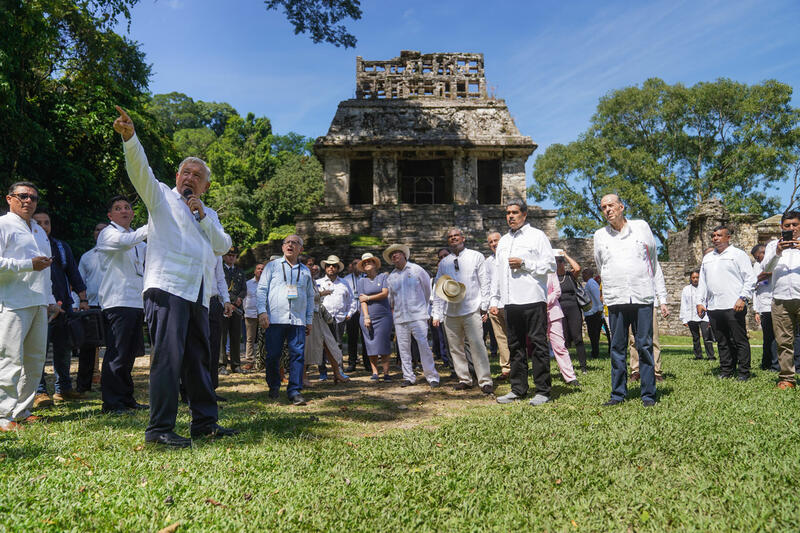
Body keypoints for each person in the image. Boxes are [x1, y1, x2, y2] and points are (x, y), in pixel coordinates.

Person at [114, 105, 236, 447]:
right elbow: (140, 171)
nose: (189, 178)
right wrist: (130, 139)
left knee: (199, 360)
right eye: (185, 172)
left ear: (206, 185)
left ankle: (205, 423)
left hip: (199, 294)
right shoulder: (162, 199)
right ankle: (159, 429)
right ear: (177, 175)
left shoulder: (207, 213)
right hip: (166, 289)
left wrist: (202, 217)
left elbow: (222, 246)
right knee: (168, 359)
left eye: (197, 175)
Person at [0, 182, 59, 431]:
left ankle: (22, 411)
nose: (29, 201)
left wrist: (50, 299)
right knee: (10, 359)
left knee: (35, 362)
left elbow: (46, 269)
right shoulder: (3, 224)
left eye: (33, 197)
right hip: (12, 301)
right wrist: (27, 265)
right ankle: (3, 416)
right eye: (23, 196)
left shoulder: (37, 229)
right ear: (9, 198)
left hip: (38, 302)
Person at [593, 194, 658, 407]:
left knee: (644, 345)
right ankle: (617, 394)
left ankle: (648, 394)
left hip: (641, 295)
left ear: (621, 206)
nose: (607, 210)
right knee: (617, 347)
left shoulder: (641, 227)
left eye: (611, 205)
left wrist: (651, 286)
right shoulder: (600, 235)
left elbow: (652, 259)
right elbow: (600, 264)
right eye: (603, 207)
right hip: (616, 297)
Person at [491, 199, 556, 406]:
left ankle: (543, 390)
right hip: (510, 301)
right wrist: (495, 298)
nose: (511, 216)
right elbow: (498, 272)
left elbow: (550, 264)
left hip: (532, 298)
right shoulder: (503, 241)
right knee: (514, 346)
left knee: (537, 344)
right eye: (508, 213)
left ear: (524, 214)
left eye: (515, 212)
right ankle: (518, 388)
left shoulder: (537, 236)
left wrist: (524, 263)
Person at [95, 195, 148, 414]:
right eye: (118, 208)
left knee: (128, 355)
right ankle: (112, 402)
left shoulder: (137, 240)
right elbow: (125, 242)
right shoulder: (109, 233)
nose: (124, 211)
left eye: (127, 207)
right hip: (118, 301)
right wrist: (154, 223)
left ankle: (126, 398)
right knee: (117, 354)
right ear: (110, 215)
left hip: (136, 302)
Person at [32, 209, 89, 405]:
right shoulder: (28, 247)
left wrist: (83, 299)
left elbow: (73, 273)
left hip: (64, 306)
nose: (42, 226)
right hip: (39, 305)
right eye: (37, 222)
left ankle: (63, 389)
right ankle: (39, 392)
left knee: (63, 350)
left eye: (46, 222)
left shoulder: (61, 247)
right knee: (38, 349)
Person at [432, 228, 492, 395]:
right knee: (455, 348)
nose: (453, 239)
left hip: (472, 307)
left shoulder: (476, 256)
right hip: (450, 312)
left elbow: (484, 282)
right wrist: (436, 313)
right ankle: (464, 379)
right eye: (450, 237)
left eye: (456, 236)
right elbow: (438, 288)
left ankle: (485, 380)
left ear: (463, 238)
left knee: (477, 345)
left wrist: (484, 305)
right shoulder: (444, 263)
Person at [256, 235, 315, 405]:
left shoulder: (304, 271)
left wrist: (309, 319)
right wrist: (262, 312)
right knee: (273, 355)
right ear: (282, 248)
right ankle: (274, 385)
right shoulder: (272, 267)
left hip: (297, 320)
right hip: (275, 317)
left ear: (300, 249)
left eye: (295, 243)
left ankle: (294, 390)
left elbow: (310, 296)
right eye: (287, 243)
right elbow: (261, 290)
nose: (290, 245)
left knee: (297, 355)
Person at [696, 225, 757, 381]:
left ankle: (743, 372)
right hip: (714, 306)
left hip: (734, 305)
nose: (715, 238)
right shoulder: (708, 258)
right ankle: (726, 370)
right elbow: (702, 282)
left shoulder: (738, 254)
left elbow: (750, 278)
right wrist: (700, 302)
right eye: (713, 235)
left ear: (728, 237)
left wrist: (743, 298)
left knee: (739, 340)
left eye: (719, 235)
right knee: (722, 341)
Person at [385, 244, 440, 388]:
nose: (394, 256)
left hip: (418, 315)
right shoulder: (391, 277)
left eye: (397, 253)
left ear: (404, 254)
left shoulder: (416, 270)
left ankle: (432, 376)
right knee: (403, 348)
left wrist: (423, 308)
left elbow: (427, 290)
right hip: (400, 317)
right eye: (392, 255)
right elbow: (391, 299)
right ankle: (408, 376)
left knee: (424, 346)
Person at [761, 210, 800, 389]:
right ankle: (787, 378)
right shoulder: (772, 246)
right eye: (787, 226)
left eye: (795, 225)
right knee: (784, 340)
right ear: (781, 227)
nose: (791, 229)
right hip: (780, 298)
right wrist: (777, 252)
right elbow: (765, 268)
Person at [77, 221, 108, 390]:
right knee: (88, 348)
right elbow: (78, 282)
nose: (100, 233)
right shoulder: (87, 257)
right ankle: (83, 385)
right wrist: (79, 303)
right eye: (97, 230)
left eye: (104, 230)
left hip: (112, 304)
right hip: (91, 306)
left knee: (114, 347)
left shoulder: (118, 253)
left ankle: (111, 384)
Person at [628, 261, 670, 382]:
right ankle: (636, 370)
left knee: (653, 338)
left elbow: (658, 279)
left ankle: (656, 371)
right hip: (630, 302)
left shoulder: (651, 258)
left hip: (648, 302)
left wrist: (663, 301)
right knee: (633, 339)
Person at [356, 253, 394, 381]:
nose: (367, 264)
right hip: (368, 316)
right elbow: (362, 300)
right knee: (370, 343)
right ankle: (375, 372)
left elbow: (385, 293)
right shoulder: (361, 281)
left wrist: (368, 297)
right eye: (364, 263)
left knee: (384, 343)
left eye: (369, 261)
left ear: (375, 264)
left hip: (384, 315)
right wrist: (366, 316)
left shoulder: (383, 277)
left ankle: (386, 372)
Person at [554, 249, 588, 374]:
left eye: (560, 262)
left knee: (578, 338)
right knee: (564, 340)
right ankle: (567, 368)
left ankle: (583, 367)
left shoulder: (569, 275)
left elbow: (577, 268)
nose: (558, 264)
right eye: (556, 262)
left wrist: (565, 255)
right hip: (560, 310)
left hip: (574, 309)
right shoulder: (552, 278)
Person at [546, 272, 579, 386]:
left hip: (553, 312)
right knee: (538, 348)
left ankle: (570, 377)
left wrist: (545, 302)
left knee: (560, 346)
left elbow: (557, 291)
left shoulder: (551, 272)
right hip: (535, 313)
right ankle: (542, 377)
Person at [485, 231, 511, 380]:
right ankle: (506, 368)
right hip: (495, 305)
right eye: (491, 242)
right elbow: (487, 284)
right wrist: (490, 304)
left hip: (510, 302)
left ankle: (519, 365)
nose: (494, 244)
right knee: (500, 338)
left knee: (513, 336)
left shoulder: (509, 257)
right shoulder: (488, 262)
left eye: (496, 240)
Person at [220, 247, 247, 374]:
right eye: (229, 255)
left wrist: (240, 298)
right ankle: (221, 365)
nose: (231, 257)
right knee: (222, 337)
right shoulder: (220, 269)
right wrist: (232, 300)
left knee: (236, 336)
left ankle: (236, 365)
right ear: (224, 256)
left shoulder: (240, 271)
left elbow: (244, 288)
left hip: (237, 309)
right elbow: (221, 287)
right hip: (224, 307)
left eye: (234, 255)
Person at [751, 244, 777, 371]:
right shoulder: (757, 266)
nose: (757, 260)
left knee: (777, 337)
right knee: (768, 337)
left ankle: (775, 364)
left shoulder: (774, 260)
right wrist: (756, 310)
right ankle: (766, 363)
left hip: (774, 303)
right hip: (763, 306)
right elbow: (755, 289)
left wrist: (754, 280)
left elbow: (768, 272)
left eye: (758, 257)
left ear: (763, 252)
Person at [680, 269, 716, 361]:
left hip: (704, 317)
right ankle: (698, 356)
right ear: (690, 278)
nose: (695, 279)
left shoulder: (705, 288)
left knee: (706, 337)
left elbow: (710, 301)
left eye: (697, 277)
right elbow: (683, 304)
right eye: (693, 277)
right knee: (695, 338)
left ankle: (711, 356)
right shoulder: (686, 289)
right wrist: (683, 319)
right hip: (691, 316)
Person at [342, 258, 367, 372]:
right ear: (351, 266)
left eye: (359, 264)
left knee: (366, 337)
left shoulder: (366, 278)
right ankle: (352, 362)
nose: (357, 266)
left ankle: (367, 363)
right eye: (354, 264)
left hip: (364, 310)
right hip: (352, 312)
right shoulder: (346, 280)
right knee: (352, 338)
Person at [582, 268, 609, 359]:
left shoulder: (591, 283)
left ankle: (595, 353)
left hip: (594, 313)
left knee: (594, 334)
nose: (582, 276)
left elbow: (597, 297)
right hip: (592, 313)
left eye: (583, 274)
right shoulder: (589, 283)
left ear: (587, 274)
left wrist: (599, 309)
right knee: (593, 335)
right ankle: (595, 351)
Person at [242, 263, 265, 371]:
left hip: (263, 315)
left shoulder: (267, 284)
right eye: (258, 269)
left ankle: (261, 361)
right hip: (250, 314)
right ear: (254, 271)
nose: (260, 270)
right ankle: (249, 361)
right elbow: (244, 298)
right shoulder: (248, 284)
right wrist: (245, 311)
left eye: (262, 269)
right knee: (250, 339)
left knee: (263, 339)